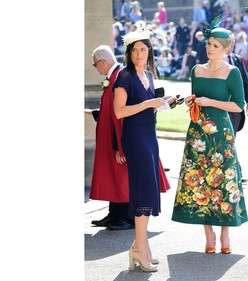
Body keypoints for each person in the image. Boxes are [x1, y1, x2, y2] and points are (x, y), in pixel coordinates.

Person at [171, 18, 248, 255]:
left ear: (227, 49)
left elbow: (239, 105)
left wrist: (211, 102)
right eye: (209, 44)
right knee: (199, 180)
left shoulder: (232, 72)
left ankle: (225, 231)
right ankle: (208, 233)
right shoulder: (197, 70)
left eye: (215, 45)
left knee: (224, 181)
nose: (210, 48)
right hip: (197, 132)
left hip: (221, 135)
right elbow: (196, 96)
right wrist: (191, 100)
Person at [113, 20, 174, 272]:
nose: (140, 54)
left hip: (149, 135)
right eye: (135, 50)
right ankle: (139, 248)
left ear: (149, 52)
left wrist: (166, 102)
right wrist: (148, 104)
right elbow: (119, 112)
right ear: (129, 53)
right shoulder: (124, 76)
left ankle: (142, 246)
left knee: (148, 189)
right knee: (143, 188)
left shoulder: (148, 75)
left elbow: (150, 106)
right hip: (135, 138)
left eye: (144, 50)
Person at [86, 45, 135, 231]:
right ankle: (114, 215)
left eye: (95, 64)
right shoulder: (113, 77)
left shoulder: (120, 78)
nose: (96, 68)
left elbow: (120, 116)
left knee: (122, 178)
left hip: (118, 140)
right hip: (111, 138)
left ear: (103, 62)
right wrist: (93, 113)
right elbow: (110, 111)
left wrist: (119, 147)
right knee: (114, 177)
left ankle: (127, 218)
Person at [226, 32, 248, 183]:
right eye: (229, 43)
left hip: (236, 108)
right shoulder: (214, 61)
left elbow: (245, 82)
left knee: (232, 139)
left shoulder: (237, 59)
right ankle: (236, 172)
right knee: (228, 140)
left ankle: (235, 171)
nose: (231, 46)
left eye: (233, 43)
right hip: (222, 107)